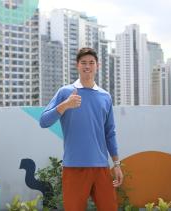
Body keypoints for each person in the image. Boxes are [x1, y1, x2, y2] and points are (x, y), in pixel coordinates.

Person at [39, 47, 123, 211]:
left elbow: (110, 133)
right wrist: (65, 105)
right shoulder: (65, 92)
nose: (87, 66)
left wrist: (117, 164)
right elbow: (43, 121)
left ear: (97, 66)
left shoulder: (105, 96)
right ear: (77, 65)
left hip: (101, 167)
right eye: (83, 62)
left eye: (91, 63)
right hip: (74, 167)